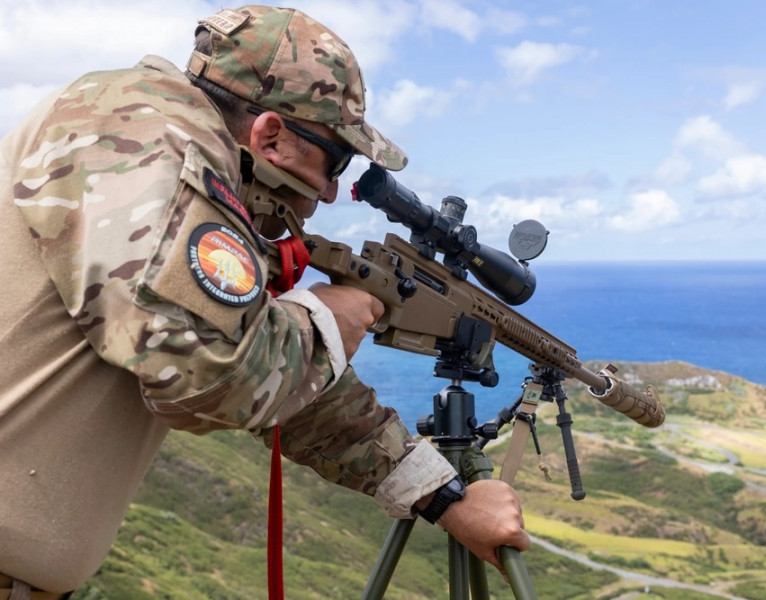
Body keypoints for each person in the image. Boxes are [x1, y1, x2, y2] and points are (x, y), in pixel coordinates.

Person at [0, 5, 529, 597]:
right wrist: (324, 319)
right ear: (271, 134)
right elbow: (207, 375)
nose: (329, 193)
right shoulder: (147, 131)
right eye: (336, 163)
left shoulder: (139, 132)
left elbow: (276, 378)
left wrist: (443, 497)